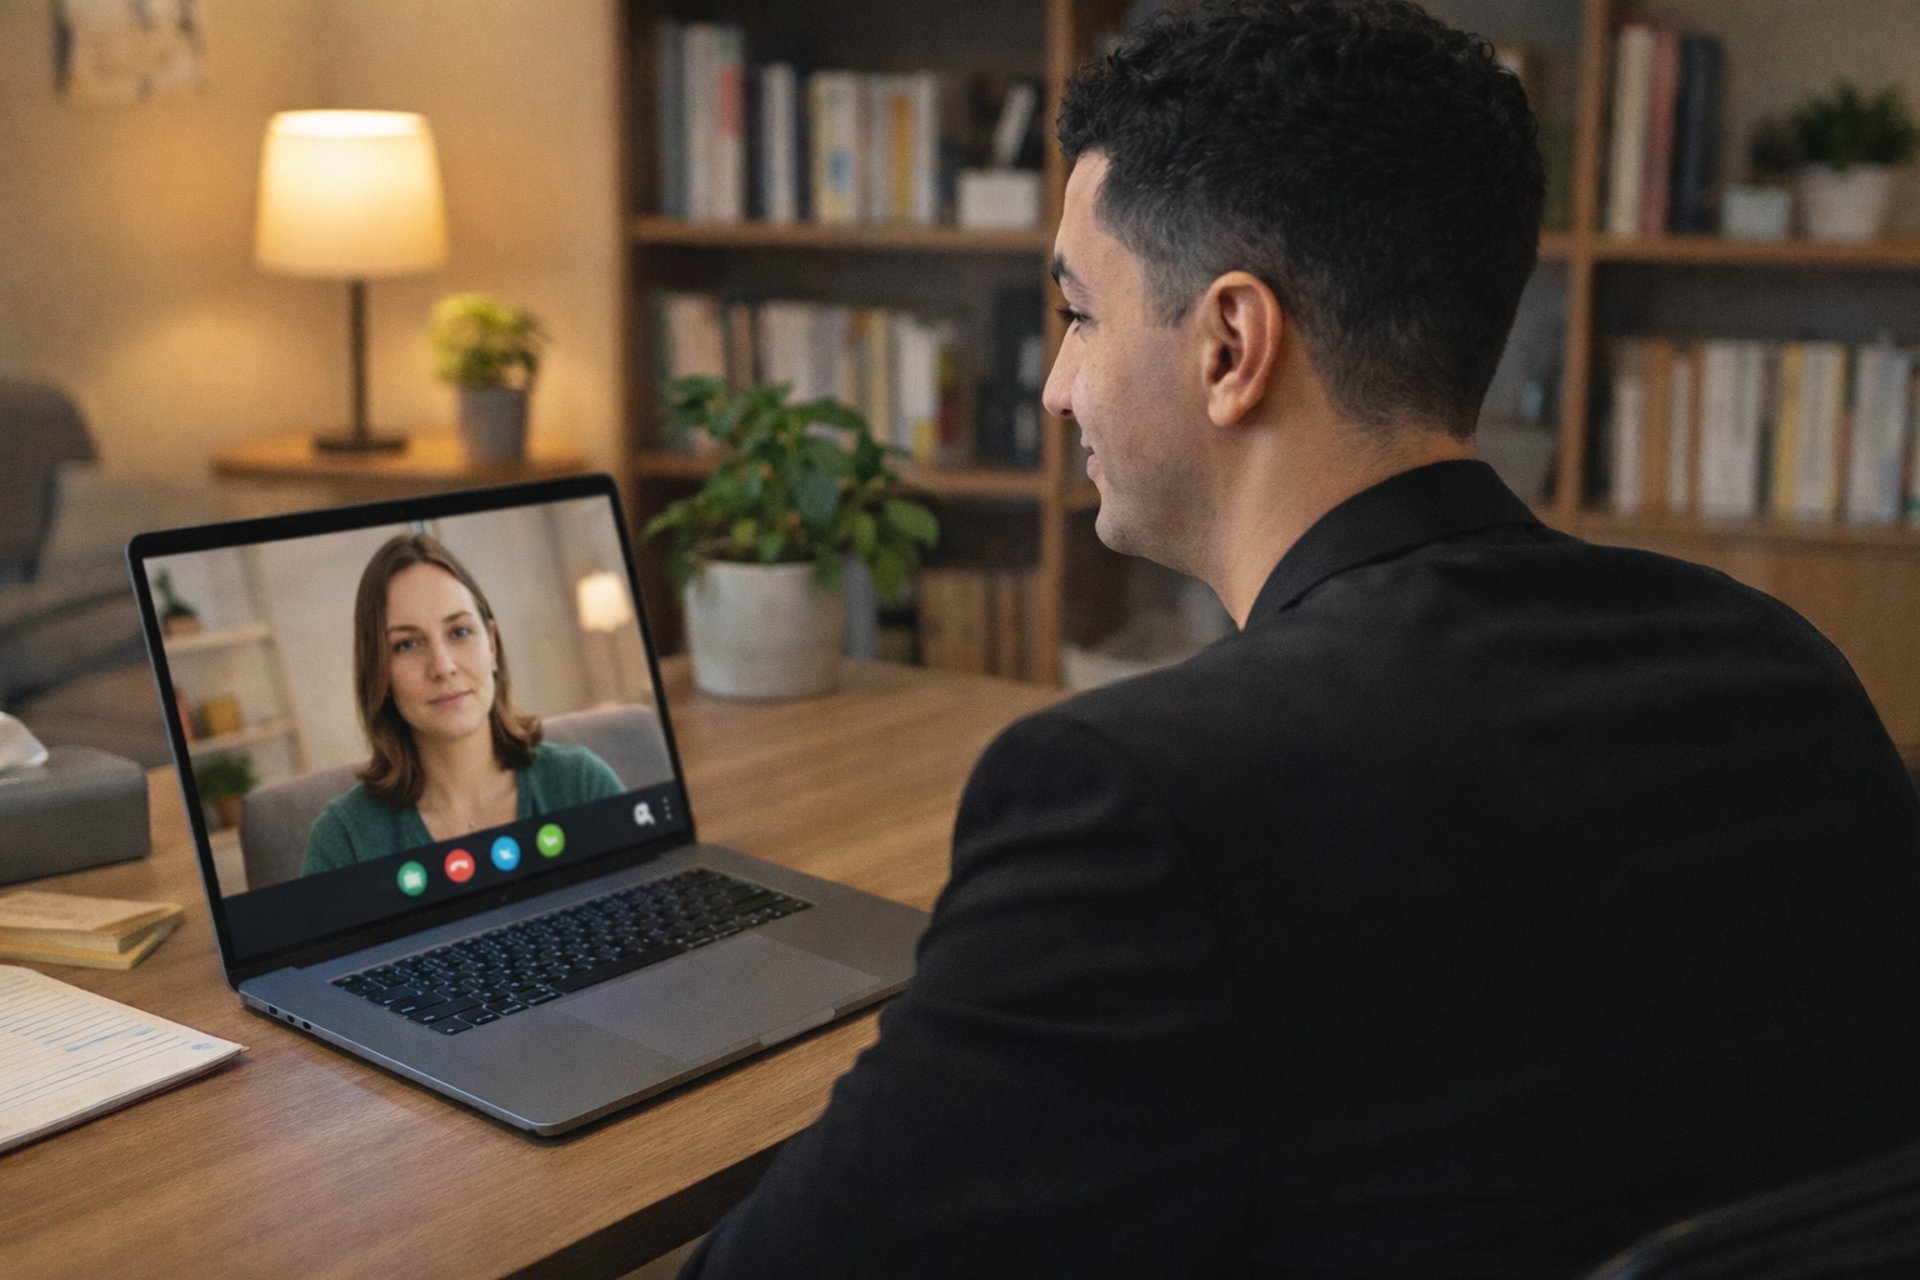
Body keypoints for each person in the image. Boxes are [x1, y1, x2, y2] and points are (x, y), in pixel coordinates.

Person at [680, 2, 1920, 1275]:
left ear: (1232, 344)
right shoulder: (1780, 664)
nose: (1054, 386)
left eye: (1080, 315)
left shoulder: (1140, 802)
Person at [300, 533, 623, 874]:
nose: (443, 666)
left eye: (459, 632)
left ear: (492, 645)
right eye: (407, 644)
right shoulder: (343, 841)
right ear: (380, 671)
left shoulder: (581, 784)